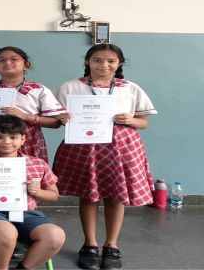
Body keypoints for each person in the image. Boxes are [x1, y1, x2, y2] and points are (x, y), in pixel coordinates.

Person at [52, 44, 156, 270]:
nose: (104, 65)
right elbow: (56, 119)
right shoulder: (71, 87)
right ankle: (90, 244)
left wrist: (131, 120)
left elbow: (143, 122)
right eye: (97, 60)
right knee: (89, 195)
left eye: (111, 61)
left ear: (119, 63)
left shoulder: (130, 88)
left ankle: (112, 245)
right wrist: (62, 118)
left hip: (121, 147)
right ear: (87, 61)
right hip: (83, 146)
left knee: (115, 196)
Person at [0, 115, 65, 270]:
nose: (6, 142)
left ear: (23, 139)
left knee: (55, 235)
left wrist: (38, 192)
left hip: (27, 214)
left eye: (13, 137)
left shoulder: (37, 164)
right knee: (6, 232)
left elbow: (54, 194)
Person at [0, 46, 65, 163]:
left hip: (25, 138)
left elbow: (56, 123)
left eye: (14, 59)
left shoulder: (38, 89)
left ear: (26, 65)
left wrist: (26, 117)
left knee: (27, 171)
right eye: (1, 60)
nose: (7, 62)